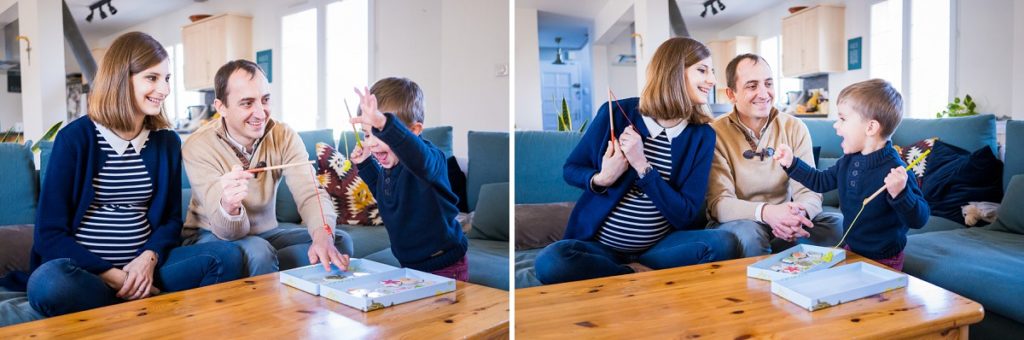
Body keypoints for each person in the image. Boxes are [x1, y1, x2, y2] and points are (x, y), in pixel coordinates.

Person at [24, 32, 244, 317]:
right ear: (119, 79)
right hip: (86, 274)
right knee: (48, 284)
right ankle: (137, 304)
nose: (164, 89)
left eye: (167, 79)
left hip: (150, 270)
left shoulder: (166, 142)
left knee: (225, 256)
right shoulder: (74, 139)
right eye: (152, 78)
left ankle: (128, 308)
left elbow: (170, 220)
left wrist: (148, 259)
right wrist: (115, 276)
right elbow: (48, 234)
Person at [533, 37, 738, 285]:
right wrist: (602, 178)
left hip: (660, 249)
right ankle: (631, 274)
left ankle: (627, 273)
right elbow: (571, 170)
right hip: (601, 247)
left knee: (724, 243)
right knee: (552, 261)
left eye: (712, 72)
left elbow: (686, 214)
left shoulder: (701, 135)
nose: (712, 80)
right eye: (702, 70)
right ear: (673, 71)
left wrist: (643, 166)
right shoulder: (616, 113)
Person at [182, 60, 353, 276]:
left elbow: (309, 193)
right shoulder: (198, 146)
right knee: (259, 252)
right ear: (221, 107)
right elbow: (227, 230)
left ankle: (300, 293)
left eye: (265, 100)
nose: (261, 113)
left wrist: (322, 236)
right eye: (247, 103)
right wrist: (230, 206)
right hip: (211, 233)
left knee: (338, 239)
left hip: (266, 234)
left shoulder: (283, 135)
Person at [774, 79, 929, 270]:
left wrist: (901, 194)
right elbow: (819, 181)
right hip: (852, 250)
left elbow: (919, 219)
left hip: (885, 260)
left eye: (843, 119)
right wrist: (792, 163)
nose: (836, 125)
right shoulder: (848, 160)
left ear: (870, 128)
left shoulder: (896, 171)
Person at [705, 54, 843, 257]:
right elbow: (720, 204)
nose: (763, 93)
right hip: (741, 223)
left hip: (785, 219)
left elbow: (810, 191)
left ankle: (778, 252)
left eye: (768, 84)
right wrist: (767, 213)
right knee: (750, 235)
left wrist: (799, 214)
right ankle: (771, 270)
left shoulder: (794, 127)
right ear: (731, 94)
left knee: (839, 225)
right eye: (752, 86)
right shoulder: (714, 133)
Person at [349, 77, 469, 281]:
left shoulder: (430, 159)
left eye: (381, 133)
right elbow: (385, 197)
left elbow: (416, 154)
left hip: (444, 266)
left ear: (414, 131)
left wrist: (383, 123)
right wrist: (366, 165)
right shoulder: (391, 166)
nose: (372, 144)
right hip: (409, 265)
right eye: (367, 135)